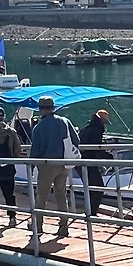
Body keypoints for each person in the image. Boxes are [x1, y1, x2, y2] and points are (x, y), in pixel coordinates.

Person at [28, 95, 80, 237]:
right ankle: (63, 226)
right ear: (53, 108)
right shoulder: (65, 121)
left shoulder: (39, 128)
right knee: (61, 195)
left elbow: (35, 150)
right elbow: (76, 140)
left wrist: (31, 166)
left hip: (47, 165)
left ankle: (38, 225)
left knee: (42, 196)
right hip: (64, 164)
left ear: (41, 109)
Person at [76, 109, 111, 216]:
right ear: (102, 121)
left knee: (91, 188)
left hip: (80, 161)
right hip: (88, 162)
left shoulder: (87, 127)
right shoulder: (97, 129)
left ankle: (89, 211)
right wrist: (109, 157)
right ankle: (92, 213)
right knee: (98, 189)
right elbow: (96, 148)